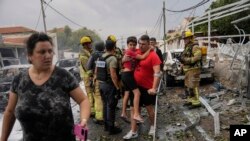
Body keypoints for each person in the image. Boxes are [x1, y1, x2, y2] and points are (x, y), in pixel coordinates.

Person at [0, 32, 90, 141]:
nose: (48, 55)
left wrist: (83, 120)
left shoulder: (63, 76)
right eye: (42, 52)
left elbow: (83, 100)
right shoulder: (19, 80)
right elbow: (10, 112)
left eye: (50, 51)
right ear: (30, 55)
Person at [123, 35, 161, 139]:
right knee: (134, 109)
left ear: (149, 44)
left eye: (143, 44)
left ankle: (153, 126)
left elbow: (157, 73)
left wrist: (154, 88)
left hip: (147, 88)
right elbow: (126, 58)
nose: (141, 46)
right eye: (140, 44)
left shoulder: (154, 55)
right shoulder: (137, 51)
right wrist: (122, 60)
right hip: (135, 86)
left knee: (149, 109)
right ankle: (134, 130)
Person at [120, 36, 151, 123]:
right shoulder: (130, 51)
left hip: (125, 75)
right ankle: (136, 114)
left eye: (134, 45)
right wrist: (150, 49)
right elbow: (142, 57)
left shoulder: (132, 51)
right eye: (130, 45)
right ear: (127, 45)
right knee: (137, 93)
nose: (133, 46)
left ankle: (123, 113)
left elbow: (139, 52)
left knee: (126, 93)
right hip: (128, 75)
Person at [96, 40, 122, 135]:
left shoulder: (100, 57)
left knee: (105, 105)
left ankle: (106, 126)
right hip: (109, 85)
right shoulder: (112, 59)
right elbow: (113, 75)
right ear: (114, 47)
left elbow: (96, 72)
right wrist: (118, 88)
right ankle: (111, 128)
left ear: (105, 48)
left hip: (101, 84)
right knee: (111, 106)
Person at [179, 31, 202, 109]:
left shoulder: (195, 46)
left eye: (186, 38)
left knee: (194, 86)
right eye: (184, 39)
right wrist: (182, 63)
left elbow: (198, 57)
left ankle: (197, 102)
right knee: (188, 86)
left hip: (194, 69)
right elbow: (185, 57)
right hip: (188, 69)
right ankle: (191, 100)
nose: (184, 40)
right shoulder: (187, 46)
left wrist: (187, 60)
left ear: (190, 38)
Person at [86, 41, 105, 124]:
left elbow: (88, 66)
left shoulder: (93, 55)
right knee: (105, 98)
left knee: (98, 98)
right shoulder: (106, 54)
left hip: (97, 79)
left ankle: (99, 118)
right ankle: (106, 115)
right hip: (106, 80)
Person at [79, 36, 95, 115]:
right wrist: (91, 76)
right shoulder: (83, 56)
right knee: (89, 94)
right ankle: (91, 111)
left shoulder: (89, 52)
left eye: (90, 43)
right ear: (85, 45)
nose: (91, 44)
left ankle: (93, 109)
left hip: (90, 76)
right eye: (89, 43)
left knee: (93, 93)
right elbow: (87, 68)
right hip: (87, 77)